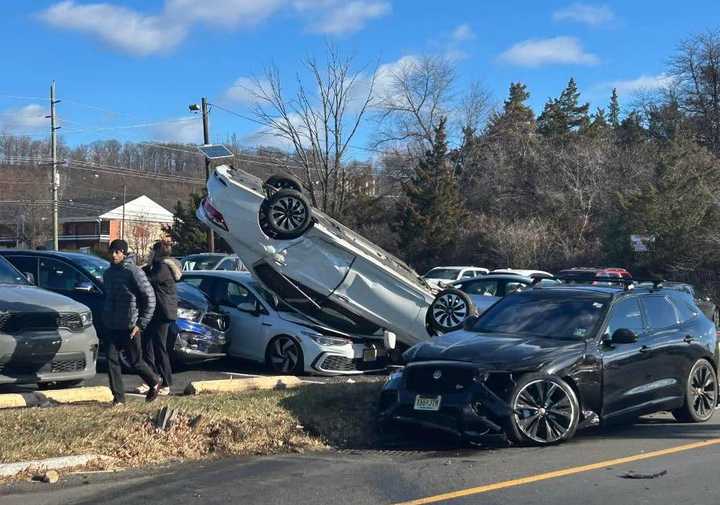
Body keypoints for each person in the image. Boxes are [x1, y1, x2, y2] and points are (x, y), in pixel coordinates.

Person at [103, 239, 161, 405]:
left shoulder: (134, 272)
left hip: (130, 325)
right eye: (112, 252)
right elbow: (107, 298)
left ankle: (154, 382)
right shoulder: (108, 273)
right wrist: (105, 318)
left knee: (135, 362)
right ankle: (119, 399)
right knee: (111, 359)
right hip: (112, 325)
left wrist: (140, 324)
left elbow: (150, 298)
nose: (114, 255)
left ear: (124, 253)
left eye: (117, 252)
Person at [136, 241, 181, 396]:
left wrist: (138, 271)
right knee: (147, 344)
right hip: (154, 312)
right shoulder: (156, 266)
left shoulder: (162, 268)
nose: (149, 253)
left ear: (157, 253)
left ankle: (166, 383)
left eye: (151, 251)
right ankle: (151, 380)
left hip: (162, 313)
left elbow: (148, 280)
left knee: (159, 347)